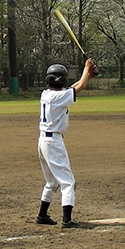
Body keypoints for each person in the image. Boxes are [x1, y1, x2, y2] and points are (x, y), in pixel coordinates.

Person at [35, 58, 98, 229]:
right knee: (68, 182)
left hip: (43, 141)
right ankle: (67, 220)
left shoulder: (47, 94)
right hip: (53, 142)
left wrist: (87, 76)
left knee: (52, 182)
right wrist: (86, 69)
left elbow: (74, 88)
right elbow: (79, 88)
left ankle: (42, 215)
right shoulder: (58, 96)